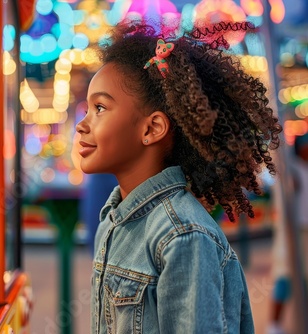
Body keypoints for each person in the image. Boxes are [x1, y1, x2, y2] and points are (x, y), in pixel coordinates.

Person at [75, 19, 282, 333]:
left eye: (100, 108)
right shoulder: (112, 220)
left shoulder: (183, 237)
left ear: (152, 129)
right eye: (88, 109)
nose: (82, 124)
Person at [268, 134, 308, 334]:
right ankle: (274, 325)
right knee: (283, 277)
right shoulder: (291, 169)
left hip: (304, 232)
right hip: (291, 233)